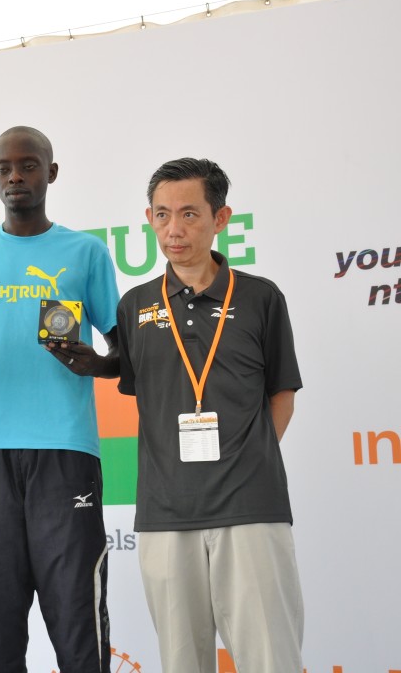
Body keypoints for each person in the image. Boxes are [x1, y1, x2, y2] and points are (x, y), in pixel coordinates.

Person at [0, 126, 118, 673]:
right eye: (4, 168)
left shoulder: (85, 251)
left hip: (65, 451)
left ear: (51, 173)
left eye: (29, 165)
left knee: (76, 622)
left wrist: (96, 363)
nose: (15, 176)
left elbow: (123, 353)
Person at [116, 158, 304, 672]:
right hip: (164, 514)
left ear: (221, 218)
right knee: (182, 663)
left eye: (190, 214)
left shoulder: (262, 297)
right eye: (161, 215)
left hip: (250, 508)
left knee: (272, 658)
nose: (174, 230)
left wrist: (246, 461)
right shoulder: (134, 305)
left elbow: (281, 395)